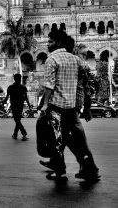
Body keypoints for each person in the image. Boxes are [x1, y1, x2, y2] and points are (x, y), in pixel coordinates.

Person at [39, 29, 100, 181]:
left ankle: (60, 171)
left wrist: (45, 104)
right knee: (77, 139)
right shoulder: (76, 59)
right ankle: (89, 168)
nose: (48, 44)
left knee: (56, 140)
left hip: (56, 107)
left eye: (51, 42)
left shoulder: (51, 59)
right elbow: (86, 79)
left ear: (58, 43)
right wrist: (85, 105)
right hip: (71, 108)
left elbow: (49, 85)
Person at [2, 74, 31, 141]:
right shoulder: (23, 87)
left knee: (17, 120)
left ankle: (22, 133)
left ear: (14, 79)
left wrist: (3, 103)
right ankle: (16, 134)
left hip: (14, 106)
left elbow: (7, 97)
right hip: (20, 105)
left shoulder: (10, 87)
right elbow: (26, 97)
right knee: (18, 120)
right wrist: (29, 105)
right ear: (19, 79)